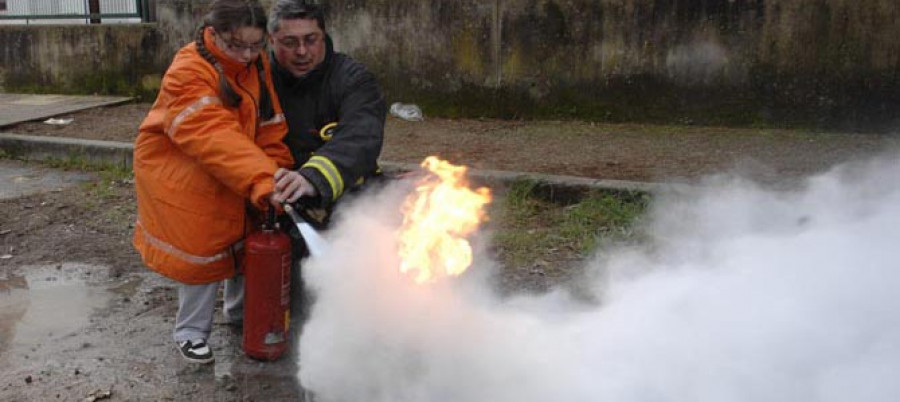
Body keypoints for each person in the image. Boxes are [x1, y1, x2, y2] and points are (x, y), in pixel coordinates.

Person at [132, 0, 293, 364]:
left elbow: (270, 124)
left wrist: (277, 172)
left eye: (256, 46)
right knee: (200, 250)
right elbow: (211, 135)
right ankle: (190, 332)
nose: (249, 54)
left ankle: (239, 316)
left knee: (247, 239)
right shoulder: (188, 69)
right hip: (184, 174)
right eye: (238, 46)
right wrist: (263, 178)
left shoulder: (256, 64)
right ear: (214, 33)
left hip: (239, 169)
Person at [265, 0, 386, 323]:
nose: (302, 51)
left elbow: (362, 137)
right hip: (279, 197)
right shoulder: (257, 80)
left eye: (311, 39)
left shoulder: (353, 78)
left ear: (324, 35)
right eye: (290, 42)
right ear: (271, 41)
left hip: (348, 194)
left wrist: (312, 178)